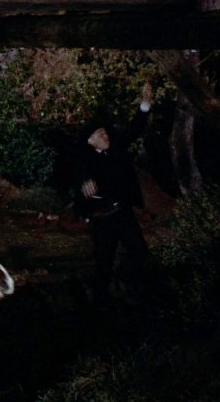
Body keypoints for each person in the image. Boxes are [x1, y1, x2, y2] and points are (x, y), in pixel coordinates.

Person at [74, 84, 153, 310]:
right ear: (90, 141)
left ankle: (125, 279)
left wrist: (145, 105)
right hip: (103, 218)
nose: (105, 135)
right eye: (99, 134)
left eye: (105, 132)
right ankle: (99, 301)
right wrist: (84, 185)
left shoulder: (116, 148)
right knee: (103, 261)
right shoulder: (85, 159)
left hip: (124, 213)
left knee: (139, 250)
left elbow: (135, 129)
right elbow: (80, 175)